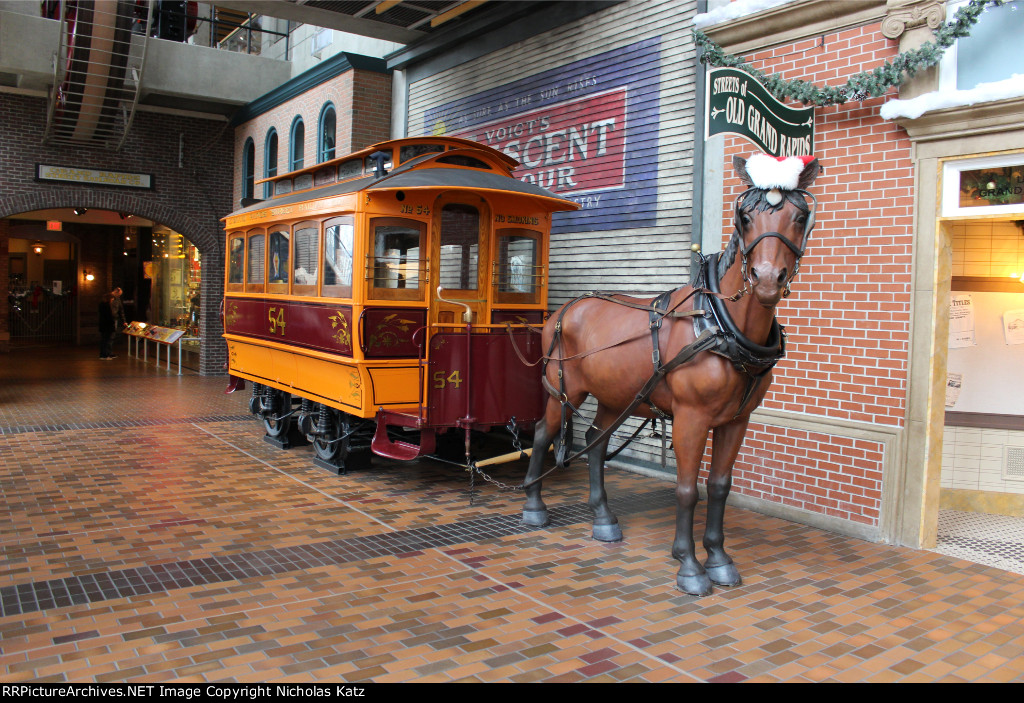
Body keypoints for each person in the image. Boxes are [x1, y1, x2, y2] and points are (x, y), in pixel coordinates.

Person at [98, 293, 115, 359]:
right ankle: (105, 354)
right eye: (112, 299)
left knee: (103, 340)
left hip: (103, 326)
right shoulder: (107, 306)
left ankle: (103, 354)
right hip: (107, 326)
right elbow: (109, 317)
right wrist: (112, 323)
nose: (112, 300)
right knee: (106, 340)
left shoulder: (101, 305)